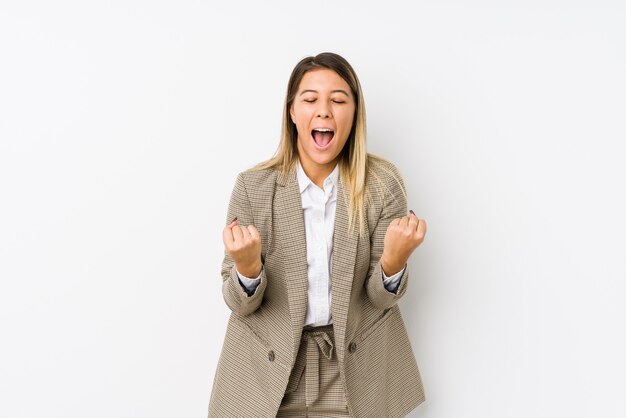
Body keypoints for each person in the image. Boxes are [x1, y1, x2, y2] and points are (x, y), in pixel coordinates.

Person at [208, 52, 427, 417]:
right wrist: (246, 269)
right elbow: (239, 303)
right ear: (292, 111)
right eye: (310, 99)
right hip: (268, 371)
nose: (324, 110)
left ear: (354, 112)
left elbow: (380, 298)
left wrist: (394, 260)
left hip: (354, 370)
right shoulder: (253, 187)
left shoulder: (383, 186)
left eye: (338, 100)